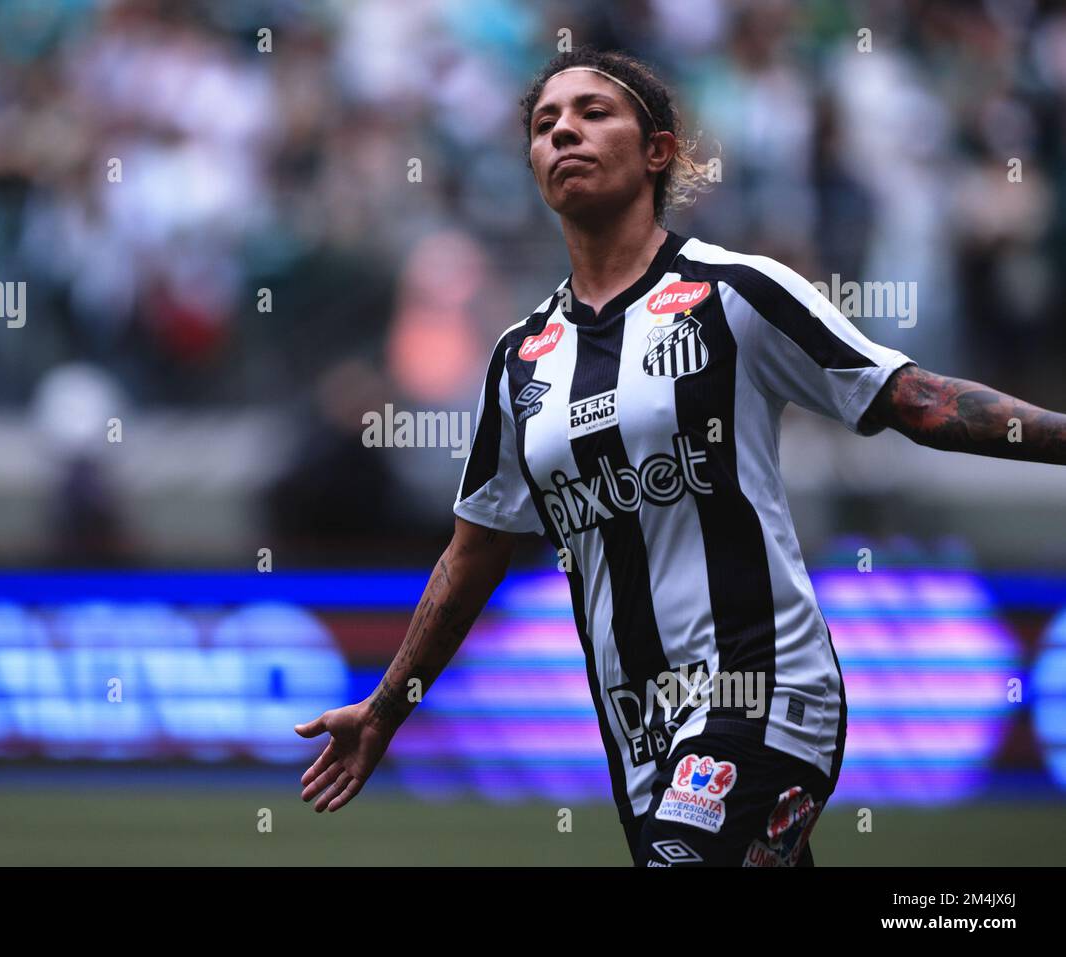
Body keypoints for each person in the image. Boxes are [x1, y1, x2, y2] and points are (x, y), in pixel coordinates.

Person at [295, 48, 1066, 866]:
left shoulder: (734, 292)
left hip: (764, 693)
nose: (564, 132)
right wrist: (386, 705)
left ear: (658, 149)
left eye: (594, 113)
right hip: (640, 742)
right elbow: (475, 550)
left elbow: (917, 399)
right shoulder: (521, 359)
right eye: (545, 123)